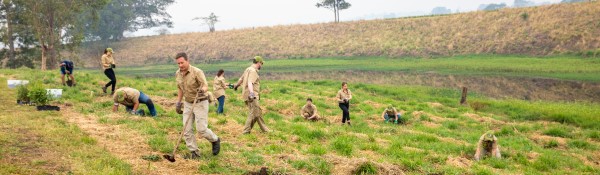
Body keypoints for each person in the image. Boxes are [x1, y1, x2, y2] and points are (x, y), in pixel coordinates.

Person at [174, 52, 220, 159]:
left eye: (182, 62)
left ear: (187, 61)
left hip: (200, 102)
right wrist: (178, 102)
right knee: (187, 129)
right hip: (188, 103)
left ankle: (215, 140)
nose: (180, 65)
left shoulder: (197, 72)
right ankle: (194, 152)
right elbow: (180, 88)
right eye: (178, 63)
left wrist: (201, 90)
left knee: (201, 129)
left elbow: (205, 85)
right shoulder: (178, 74)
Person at [234, 56, 269, 134]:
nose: (261, 65)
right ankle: (246, 131)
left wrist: (236, 85)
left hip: (246, 95)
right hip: (252, 96)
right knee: (253, 113)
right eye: (261, 63)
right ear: (258, 62)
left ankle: (265, 130)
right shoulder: (253, 71)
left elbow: (241, 79)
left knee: (257, 112)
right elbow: (250, 82)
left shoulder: (248, 69)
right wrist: (252, 93)